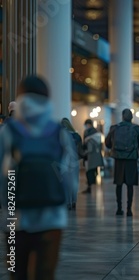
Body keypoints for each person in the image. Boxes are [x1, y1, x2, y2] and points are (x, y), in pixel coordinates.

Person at [0, 76, 78, 279]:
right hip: (53, 219)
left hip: (15, 220)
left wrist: (8, 208)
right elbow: (70, 176)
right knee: (45, 274)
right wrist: (64, 204)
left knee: (17, 274)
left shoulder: (8, 132)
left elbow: (2, 177)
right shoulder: (58, 132)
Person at [105, 109, 139, 216]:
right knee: (130, 185)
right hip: (131, 159)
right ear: (132, 117)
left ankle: (119, 208)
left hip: (118, 159)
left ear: (122, 117)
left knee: (118, 184)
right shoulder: (136, 128)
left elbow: (107, 143)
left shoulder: (114, 128)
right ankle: (129, 209)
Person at [61, 117, 84, 210]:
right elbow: (80, 151)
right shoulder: (77, 136)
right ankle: (74, 201)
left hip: (63, 161)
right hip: (74, 162)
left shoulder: (60, 135)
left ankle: (67, 202)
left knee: (64, 182)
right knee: (74, 181)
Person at [82, 119, 104, 194]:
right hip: (95, 155)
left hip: (89, 154)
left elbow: (85, 144)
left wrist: (83, 152)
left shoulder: (88, 133)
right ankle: (90, 185)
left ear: (88, 124)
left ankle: (89, 186)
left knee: (89, 171)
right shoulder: (96, 132)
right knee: (92, 170)